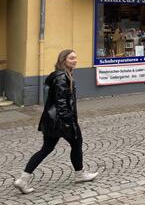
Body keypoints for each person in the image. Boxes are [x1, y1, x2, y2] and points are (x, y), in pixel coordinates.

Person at [13, 50, 98, 194]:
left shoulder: (63, 75)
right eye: (71, 58)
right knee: (76, 142)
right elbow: (61, 102)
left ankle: (23, 179)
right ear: (63, 60)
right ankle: (79, 174)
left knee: (46, 149)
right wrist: (69, 122)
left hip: (52, 120)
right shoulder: (62, 77)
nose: (75, 60)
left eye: (76, 57)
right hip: (60, 121)